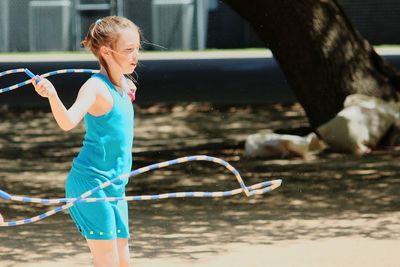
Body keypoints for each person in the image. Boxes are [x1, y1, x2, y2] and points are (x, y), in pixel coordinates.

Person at [31, 16, 140, 267]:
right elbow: (67, 122)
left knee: (123, 263)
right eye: (128, 50)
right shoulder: (94, 88)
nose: (136, 56)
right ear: (106, 51)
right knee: (108, 263)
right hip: (91, 185)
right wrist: (52, 95)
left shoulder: (124, 83)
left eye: (137, 49)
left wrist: (126, 88)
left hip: (116, 186)